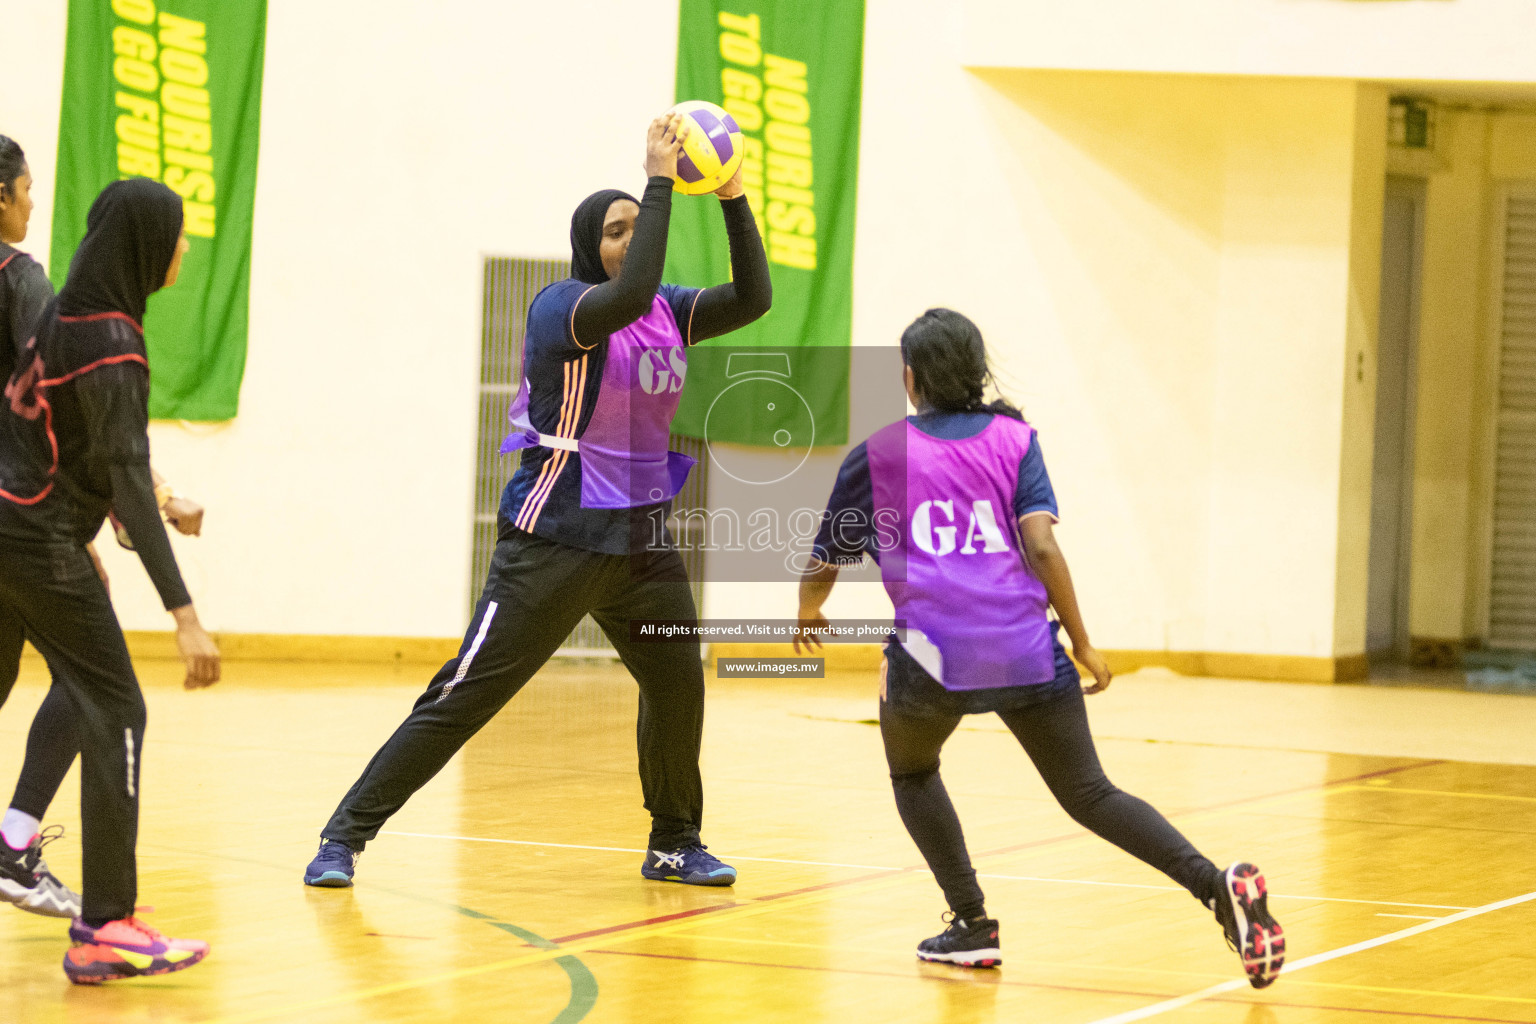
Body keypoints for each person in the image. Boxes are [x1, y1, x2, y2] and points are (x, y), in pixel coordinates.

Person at [304, 113, 771, 890]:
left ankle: (674, 841)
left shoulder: (669, 311)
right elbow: (630, 291)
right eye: (616, 230)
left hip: (641, 546)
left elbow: (753, 296)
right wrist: (658, 179)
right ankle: (344, 836)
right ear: (592, 244)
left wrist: (731, 195)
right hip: (554, 538)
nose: (629, 237)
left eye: (636, 226)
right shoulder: (567, 306)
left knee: (677, 686)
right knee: (466, 694)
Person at [794, 309, 1284, 988]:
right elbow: (1043, 545)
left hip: (931, 659)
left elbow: (824, 558)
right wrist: (1083, 642)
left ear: (910, 379)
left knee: (913, 774)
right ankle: (1214, 889)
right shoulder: (1016, 440)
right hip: (1024, 647)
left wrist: (807, 611)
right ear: (975, 371)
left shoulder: (878, 452)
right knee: (1090, 792)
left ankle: (970, 924)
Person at [0, 176, 221, 983]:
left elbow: (91, 458)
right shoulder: (115, 342)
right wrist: (184, 613)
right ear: (146, 246)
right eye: (179, 235)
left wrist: (146, 504)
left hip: (13, 531)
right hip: (42, 545)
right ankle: (106, 927)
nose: (186, 248)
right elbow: (122, 474)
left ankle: (29, 848)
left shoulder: (61, 316)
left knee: (79, 696)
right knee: (117, 706)